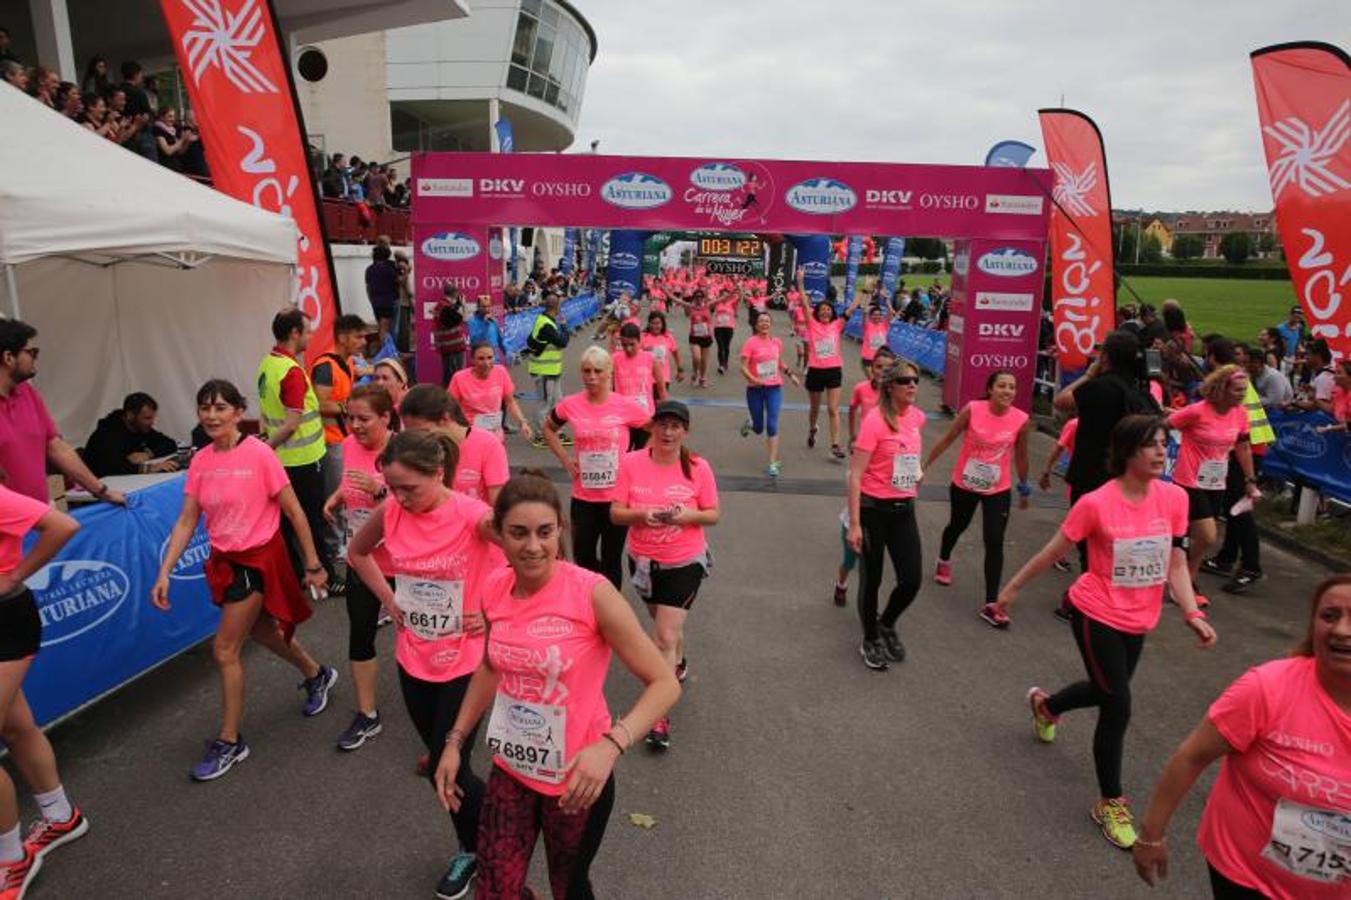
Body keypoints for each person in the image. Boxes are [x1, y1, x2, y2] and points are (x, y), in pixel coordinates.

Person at [433, 471, 680, 898]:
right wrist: (455, 741)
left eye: (545, 532)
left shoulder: (591, 593)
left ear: (560, 531)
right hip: (512, 768)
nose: (532, 546)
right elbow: (492, 666)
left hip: (577, 778)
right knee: (496, 888)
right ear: (499, 534)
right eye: (518, 533)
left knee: (568, 886)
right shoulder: (495, 586)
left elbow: (663, 683)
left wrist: (610, 745)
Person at [994, 415, 1217, 850]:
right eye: (1151, 445)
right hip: (1095, 611)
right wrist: (1012, 588)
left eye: (1164, 444)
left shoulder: (1175, 498)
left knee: (1105, 690)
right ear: (1127, 451)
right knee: (1117, 703)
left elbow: (1174, 563)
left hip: (1140, 617)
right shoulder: (1096, 503)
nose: (1160, 452)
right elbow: (1053, 551)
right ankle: (1110, 802)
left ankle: (1047, 706)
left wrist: (1191, 612)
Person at [347, 429, 504, 900]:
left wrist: (493, 611)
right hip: (413, 657)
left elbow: (534, 558)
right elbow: (357, 553)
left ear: (439, 474)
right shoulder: (392, 510)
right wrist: (390, 600)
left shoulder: (474, 515)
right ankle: (486, 835)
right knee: (444, 764)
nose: (398, 497)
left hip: (467, 662)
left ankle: (480, 846)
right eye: (392, 487)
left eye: (409, 487)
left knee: (444, 763)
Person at [153, 380, 336, 782]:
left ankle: (230, 741)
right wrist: (164, 570)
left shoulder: (259, 454)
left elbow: (294, 512)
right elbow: (187, 520)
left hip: (258, 559)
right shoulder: (201, 460)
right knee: (266, 634)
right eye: (205, 408)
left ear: (239, 412)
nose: (212, 416)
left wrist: (312, 563)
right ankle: (316, 672)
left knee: (224, 649)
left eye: (221, 408)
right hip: (226, 560)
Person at [1132, 574, 1351, 899]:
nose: (1342, 630)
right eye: (1329, 616)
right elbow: (1192, 756)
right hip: (1246, 877)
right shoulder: (1268, 688)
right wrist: (1151, 835)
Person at [611, 400, 718, 749]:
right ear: (651, 428)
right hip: (643, 562)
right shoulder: (630, 463)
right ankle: (678, 661)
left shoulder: (698, 467)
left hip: (684, 562)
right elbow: (616, 513)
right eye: (663, 425)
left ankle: (657, 717)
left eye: (675, 426)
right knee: (666, 629)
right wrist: (643, 515)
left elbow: (713, 514)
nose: (668, 432)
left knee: (663, 638)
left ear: (685, 431)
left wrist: (688, 516)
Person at [0, 484, 86, 898]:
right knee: (16, 727)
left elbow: (61, 524)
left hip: (6, 622)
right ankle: (60, 816)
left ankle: (10, 860)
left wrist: (14, 574)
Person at [1053, 330, 1157, 617]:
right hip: (1129, 479)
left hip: (1092, 476)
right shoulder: (1141, 394)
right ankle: (1112, 596)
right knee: (1116, 543)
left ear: (1106, 356)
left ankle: (1087, 602)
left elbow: (1062, 401)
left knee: (1090, 546)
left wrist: (1090, 373)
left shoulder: (1098, 388)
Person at [923, 372, 1033, 628]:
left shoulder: (1021, 420)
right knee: (957, 525)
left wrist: (1025, 486)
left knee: (994, 540)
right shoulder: (973, 409)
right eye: (1002, 386)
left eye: (1012, 387)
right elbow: (949, 438)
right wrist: (924, 466)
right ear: (990, 389)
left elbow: (1022, 456)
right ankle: (944, 558)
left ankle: (992, 603)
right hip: (965, 483)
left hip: (998, 488)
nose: (1008, 391)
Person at [320, 385, 393, 752]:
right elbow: (351, 485)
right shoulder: (348, 446)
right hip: (361, 560)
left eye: (364, 419)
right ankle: (367, 714)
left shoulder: (404, 449)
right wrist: (337, 497)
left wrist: (382, 491)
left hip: (402, 563)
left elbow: (426, 499)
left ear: (386, 416)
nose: (355, 426)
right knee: (360, 634)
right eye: (350, 418)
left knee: (420, 638)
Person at [543, 347, 650, 590]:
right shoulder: (571, 404)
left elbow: (651, 431)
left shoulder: (625, 406)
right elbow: (548, 429)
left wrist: (635, 462)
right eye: (586, 371)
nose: (591, 376)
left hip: (617, 499)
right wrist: (566, 459)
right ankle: (592, 600)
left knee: (612, 558)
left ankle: (609, 611)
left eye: (597, 371)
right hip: (584, 496)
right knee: (583, 556)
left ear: (609, 372)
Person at [847, 361, 926, 671]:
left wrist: (915, 472)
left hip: (904, 508)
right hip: (873, 511)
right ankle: (870, 637)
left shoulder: (917, 418)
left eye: (916, 380)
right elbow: (855, 475)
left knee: (912, 579)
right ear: (889, 386)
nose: (913, 385)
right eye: (905, 380)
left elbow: (909, 454)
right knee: (873, 579)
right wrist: (854, 524)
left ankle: (887, 622)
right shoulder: (875, 422)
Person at [0, 320, 126, 506]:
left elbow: (56, 447)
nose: (36, 358)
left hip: (38, 518)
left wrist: (101, 491)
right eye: (31, 352)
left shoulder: (27, 393)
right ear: (9, 357)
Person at [1166, 365, 1260, 607]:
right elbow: (1166, 425)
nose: (1241, 394)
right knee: (1207, 536)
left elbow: (1243, 446)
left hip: (1216, 482)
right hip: (1188, 481)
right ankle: (1184, 580)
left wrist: (1250, 481)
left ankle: (1184, 579)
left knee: (1189, 535)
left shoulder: (1240, 414)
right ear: (1222, 388)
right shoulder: (1198, 412)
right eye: (1237, 390)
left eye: (1244, 390)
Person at [257, 308, 333, 584]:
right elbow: (290, 424)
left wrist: (266, 448)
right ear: (294, 333)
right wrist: (264, 450)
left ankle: (294, 574)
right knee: (312, 519)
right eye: (308, 331)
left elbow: (266, 415)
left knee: (286, 522)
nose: (311, 336)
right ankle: (326, 574)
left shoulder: (267, 364)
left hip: (282, 459)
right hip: (303, 459)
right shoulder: (290, 371)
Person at [311, 314, 374, 583]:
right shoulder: (324, 366)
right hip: (329, 440)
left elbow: (354, 376)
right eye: (358, 336)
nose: (363, 342)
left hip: (345, 438)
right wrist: (349, 407)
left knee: (347, 493)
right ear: (342, 337)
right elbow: (319, 403)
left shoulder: (345, 362)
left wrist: (370, 371)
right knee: (334, 497)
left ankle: (342, 542)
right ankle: (335, 548)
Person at [400, 387, 509, 506]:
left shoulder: (488, 444)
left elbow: (498, 504)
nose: (418, 439)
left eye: (424, 431)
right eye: (411, 434)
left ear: (445, 418)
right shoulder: (417, 450)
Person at [803, 270, 866, 460]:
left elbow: (852, 308)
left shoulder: (837, 325)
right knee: (814, 409)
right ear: (817, 313)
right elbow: (805, 304)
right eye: (822, 310)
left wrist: (863, 291)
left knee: (832, 408)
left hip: (833, 371)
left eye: (828, 310)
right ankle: (813, 428)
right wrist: (800, 283)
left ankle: (835, 445)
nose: (825, 312)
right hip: (815, 371)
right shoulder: (812, 324)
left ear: (832, 313)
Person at [737, 310, 800, 477]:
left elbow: (779, 362)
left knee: (772, 424)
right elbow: (743, 366)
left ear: (770, 325)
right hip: (755, 390)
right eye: (761, 321)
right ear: (756, 325)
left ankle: (772, 463)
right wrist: (753, 379)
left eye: (767, 321)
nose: (764, 324)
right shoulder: (750, 343)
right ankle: (751, 424)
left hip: (774, 388)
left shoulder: (776, 342)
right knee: (759, 428)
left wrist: (791, 374)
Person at [448, 343, 533, 442]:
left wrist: (522, 423)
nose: (486, 363)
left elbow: (510, 402)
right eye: (481, 358)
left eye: (490, 357)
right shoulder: (459, 378)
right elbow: (450, 408)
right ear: (472, 360)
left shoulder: (501, 372)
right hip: (470, 436)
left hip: (495, 436)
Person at [81, 392, 179, 477]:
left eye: (152, 418)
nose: (152, 422)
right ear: (130, 415)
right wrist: (149, 468)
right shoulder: (108, 433)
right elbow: (111, 467)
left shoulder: (142, 428)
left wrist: (149, 454)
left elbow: (170, 444)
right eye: (147, 418)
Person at [525, 293, 570, 444]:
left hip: (552, 370)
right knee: (544, 403)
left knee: (558, 402)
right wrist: (564, 325)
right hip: (544, 371)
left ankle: (556, 431)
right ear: (556, 307)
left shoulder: (545, 320)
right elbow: (563, 342)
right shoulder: (546, 324)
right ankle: (540, 434)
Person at [613, 324, 665, 449]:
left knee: (642, 454)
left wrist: (662, 416)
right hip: (623, 418)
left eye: (632, 344)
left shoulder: (649, 358)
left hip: (645, 417)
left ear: (639, 340)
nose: (628, 349)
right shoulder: (615, 359)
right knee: (623, 455)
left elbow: (661, 388)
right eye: (624, 345)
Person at [847, 349, 895, 447]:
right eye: (879, 367)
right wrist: (852, 434)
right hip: (865, 439)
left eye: (888, 369)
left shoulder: (898, 392)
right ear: (872, 368)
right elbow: (852, 409)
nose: (883, 372)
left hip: (889, 443)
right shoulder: (861, 388)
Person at [433, 286, 469, 385]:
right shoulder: (446, 309)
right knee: (455, 376)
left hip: (447, 347)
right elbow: (463, 319)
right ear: (455, 293)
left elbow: (450, 316)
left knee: (449, 375)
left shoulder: (441, 306)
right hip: (454, 348)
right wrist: (464, 306)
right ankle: (451, 397)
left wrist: (457, 304)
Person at [640, 312, 684, 391]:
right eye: (652, 323)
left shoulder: (668, 337)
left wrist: (680, 370)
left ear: (662, 324)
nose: (654, 326)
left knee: (661, 402)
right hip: (646, 377)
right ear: (648, 324)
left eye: (657, 323)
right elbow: (635, 354)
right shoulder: (643, 336)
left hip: (663, 377)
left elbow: (676, 353)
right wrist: (644, 350)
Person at [466, 295, 510, 364]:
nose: (486, 309)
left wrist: (506, 352)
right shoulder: (472, 322)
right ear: (478, 307)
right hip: (481, 361)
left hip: (495, 359)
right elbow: (474, 341)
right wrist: (485, 325)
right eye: (483, 306)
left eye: (488, 306)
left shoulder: (493, 320)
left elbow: (500, 338)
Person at [685, 293, 714, 388]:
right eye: (697, 297)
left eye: (701, 297)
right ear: (694, 298)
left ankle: (703, 378)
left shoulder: (708, 306)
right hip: (694, 337)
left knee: (704, 360)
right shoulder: (691, 307)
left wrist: (733, 292)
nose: (699, 299)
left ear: (703, 298)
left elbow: (721, 299)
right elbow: (676, 300)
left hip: (706, 337)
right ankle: (695, 373)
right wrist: (664, 290)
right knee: (697, 358)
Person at [859, 301, 894, 375]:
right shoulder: (867, 325)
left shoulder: (884, 325)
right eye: (874, 315)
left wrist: (886, 300)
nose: (877, 316)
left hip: (881, 358)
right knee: (872, 380)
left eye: (879, 315)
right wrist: (868, 297)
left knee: (879, 380)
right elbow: (864, 312)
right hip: (868, 358)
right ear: (870, 316)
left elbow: (891, 312)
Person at [712, 291, 738, 375]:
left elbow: (739, 297)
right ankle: (721, 365)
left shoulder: (732, 303)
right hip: (718, 327)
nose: (724, 297)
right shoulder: (717, 303)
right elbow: (709, 303)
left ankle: (725, 362)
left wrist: (739, 288)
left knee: (726, 346)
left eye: (726, 295)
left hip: (729, 327)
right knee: (720, 346)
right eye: (722, 295)